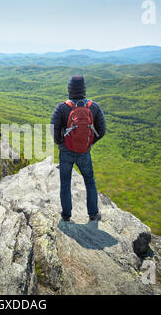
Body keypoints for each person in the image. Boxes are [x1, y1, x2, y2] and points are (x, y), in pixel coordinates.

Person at [51, 75, 106, 222]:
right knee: (89, 181)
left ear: (69, 89)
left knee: (65, 183)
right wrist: (88, 143)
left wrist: (61, 143)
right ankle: (93, 214)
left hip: (66, 153)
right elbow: (102, 131)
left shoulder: (62, 107)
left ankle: (66, 215)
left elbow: (53, 130)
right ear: (84, 89)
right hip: (84, 153)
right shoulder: (94, 107)